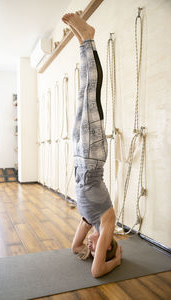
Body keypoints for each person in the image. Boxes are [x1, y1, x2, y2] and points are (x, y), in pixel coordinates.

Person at [62, 13, 122, 278]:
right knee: (91, 90)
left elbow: (75, 247)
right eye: (95, 247)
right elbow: (97, 272)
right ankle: (88, 37)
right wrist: (115, 261)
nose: (88, 245)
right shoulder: (108, 222)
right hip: (93, 156)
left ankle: (81, 40)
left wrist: (87, 245)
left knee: (82, 94)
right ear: (107, 245)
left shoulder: (89, 220)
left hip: (80, 157)